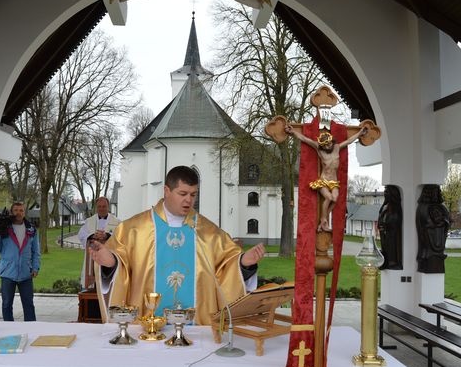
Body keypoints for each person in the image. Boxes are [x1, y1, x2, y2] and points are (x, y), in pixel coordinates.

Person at [87, 166, 265, 325]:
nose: (189, 200)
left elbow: (227, 265)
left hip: (197, 326)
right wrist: (110, 262)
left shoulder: (208, 232)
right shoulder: (133, 229)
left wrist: (244, 263)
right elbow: (120, 262)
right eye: (183, 194)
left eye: (193, 194)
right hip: (147, 327)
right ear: (166, 191)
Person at [285, 125, 367, 232]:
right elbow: (305, 139)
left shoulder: (337, 148)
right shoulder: (320, 150)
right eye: (325, 145)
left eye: (329, 144)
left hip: (333, 181)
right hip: (323, 181)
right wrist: (293, 132)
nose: (328, 147)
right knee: (328, 198)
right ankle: (324, 221)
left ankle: (323, 220)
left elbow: (349, 141)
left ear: (332, 141)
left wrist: (359, 134)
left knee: (335, 199)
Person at [0, 202, 41, 321]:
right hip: (7, 273)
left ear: (24, 212)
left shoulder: (31, 230)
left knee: (29, 305)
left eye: (21, 210)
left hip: (26, 273)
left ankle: (32, 329)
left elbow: (36, 251)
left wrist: (35, 267)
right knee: (6, 304)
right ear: (11, 212)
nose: (18, 213)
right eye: (16, 210)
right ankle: (8, 330)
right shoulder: (4, 227)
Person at [77, 197, 121, 289]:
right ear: (96, 208)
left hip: (109, 258)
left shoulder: (117, 222)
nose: (101, 209)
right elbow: (81, 235)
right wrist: (92, 236)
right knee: (93, 286)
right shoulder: (89, 221)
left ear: (108, 207)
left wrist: (108, 236)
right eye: (99, 206)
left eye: (104, 206)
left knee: (109, 284)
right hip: (93, 259)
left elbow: (121, 237)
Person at [378, 185, 403, 270]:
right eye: (385, 191)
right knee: (385, 248)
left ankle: (392, 262)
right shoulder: (385, 206)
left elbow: (395, 219)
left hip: (391, 234)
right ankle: (386, 261)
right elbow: (380, 217)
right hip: (384, 233)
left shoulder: (395, 207)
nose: (385, 193)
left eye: (387, 191)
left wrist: (386, 224)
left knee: (391, 248)